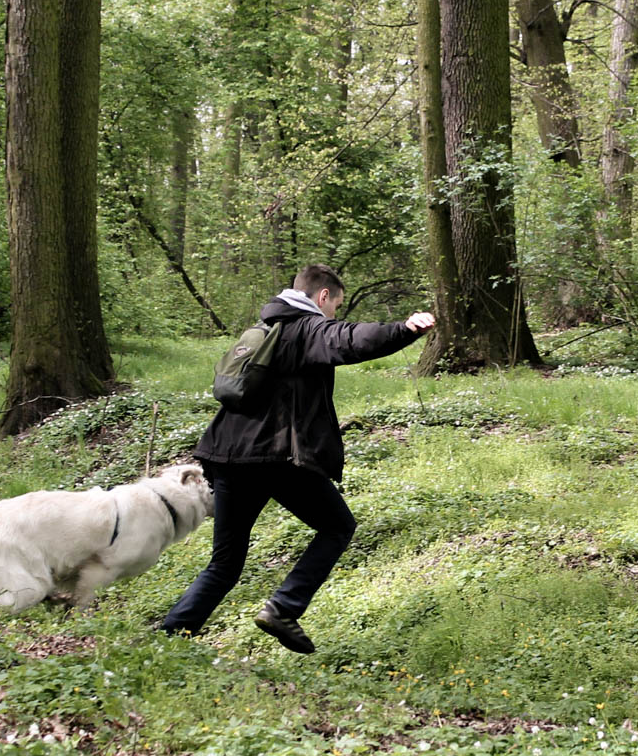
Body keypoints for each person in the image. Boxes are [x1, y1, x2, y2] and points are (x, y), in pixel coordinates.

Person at [159, 264, 435, 652]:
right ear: (322, 297)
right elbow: (351, 339)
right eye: (336, 304)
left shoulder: (266, 327)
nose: (335, 313)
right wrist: (405, 329)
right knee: (337, 527)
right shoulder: (307, 328)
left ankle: (169, 640)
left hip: (226, 454)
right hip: (272, 457)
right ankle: (283, 607)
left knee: (225, 563)